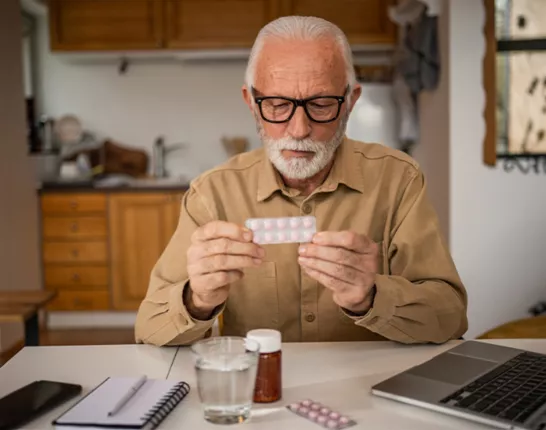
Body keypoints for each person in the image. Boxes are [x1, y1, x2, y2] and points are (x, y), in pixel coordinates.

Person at [135, 16, 468, 346]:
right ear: (251, 102)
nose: (298, 130)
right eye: (278, 105)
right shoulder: (212, 194)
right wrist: (197, 300)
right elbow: (149, 329)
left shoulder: (398, 180)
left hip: (373, 387)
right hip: (261, 389)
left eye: (321, 105)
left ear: (350, 101)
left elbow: (451, 317)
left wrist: (372, 297)